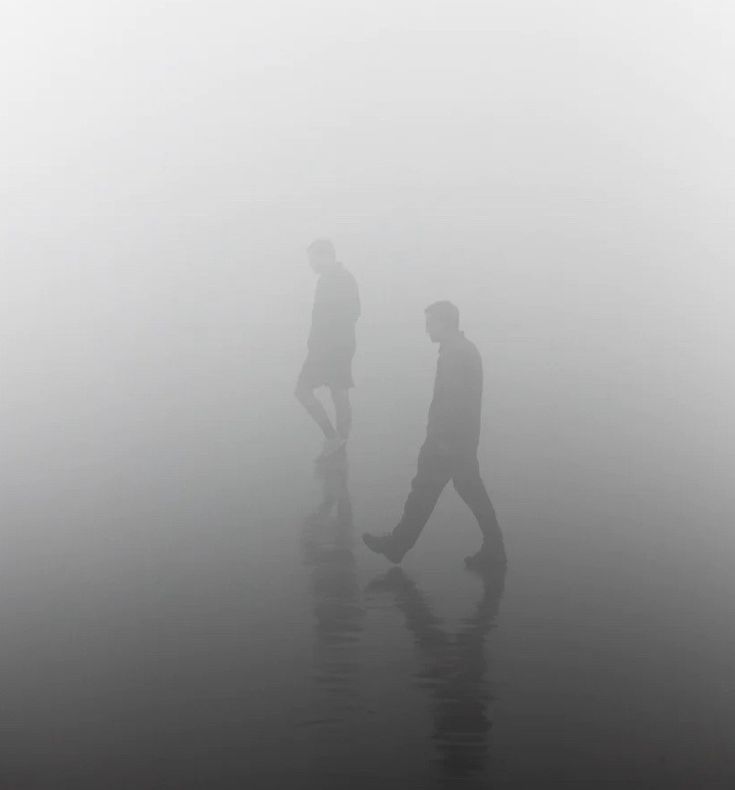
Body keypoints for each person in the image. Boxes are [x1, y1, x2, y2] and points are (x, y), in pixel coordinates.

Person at [362, 301, 506, 569]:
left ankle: (398, 545)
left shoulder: (456, 354)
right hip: (460, 439)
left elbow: (452, 402)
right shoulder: (461, 350)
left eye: (430, 323)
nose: (427, 329)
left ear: (445, 323)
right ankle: (494, 546)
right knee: (468, 489)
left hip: (448, 441)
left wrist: (439, 440)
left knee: (424, 491)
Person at [295, 239, 360, 460]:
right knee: (336, 391)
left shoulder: (342, 279)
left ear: (325, 256)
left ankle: (337, 438)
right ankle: (337, 438)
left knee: (320, 390)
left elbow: (353, 312)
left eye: (312, 259)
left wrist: (328, 341)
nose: (310, 264)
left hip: (334, 348)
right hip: (328, 347)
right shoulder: (327, 280)